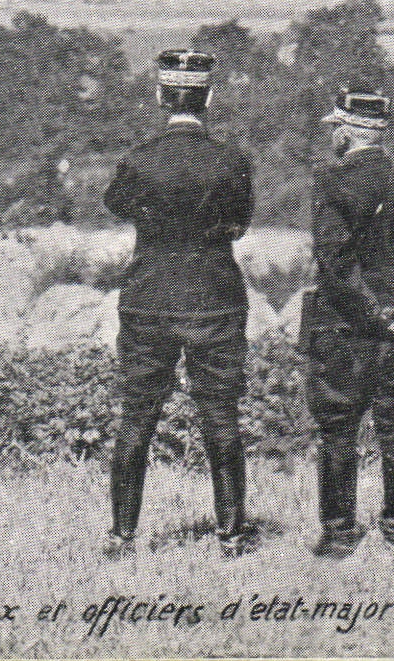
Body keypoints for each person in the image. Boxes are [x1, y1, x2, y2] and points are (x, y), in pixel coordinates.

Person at [102, 49, 260, 558]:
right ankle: (232, 535)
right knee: (220, 416)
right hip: (214, 298)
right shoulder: (231, 161)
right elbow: (240, 222)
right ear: (209, 97)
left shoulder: (138, 160)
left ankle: (122, 537)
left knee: (136, 419)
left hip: (148, 298)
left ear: (160, 96)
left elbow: (117, 205)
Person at [303, 89, 394, 558]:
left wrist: (368, 313)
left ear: (346, 132)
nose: (333, 134)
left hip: (344, 324)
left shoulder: (332, 182)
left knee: (337, 427)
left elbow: (333, 264)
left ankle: (338, 534)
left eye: (336, 126)